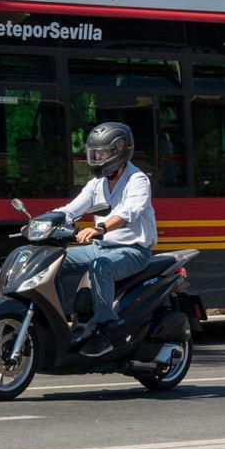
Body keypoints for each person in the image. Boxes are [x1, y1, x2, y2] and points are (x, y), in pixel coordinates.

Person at [55, 122, 157, 357]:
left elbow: (128, 212)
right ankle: (56, 325)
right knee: (54, 261)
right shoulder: (97, 183)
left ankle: (105, 331)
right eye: (95, 152)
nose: (97, 156)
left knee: (100, 267)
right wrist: (41, 222)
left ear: (119, 150)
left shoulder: (137, 180)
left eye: (102, 152)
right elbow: (70, 211)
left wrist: (99, 228)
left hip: (133, 250)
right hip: (102, 247)